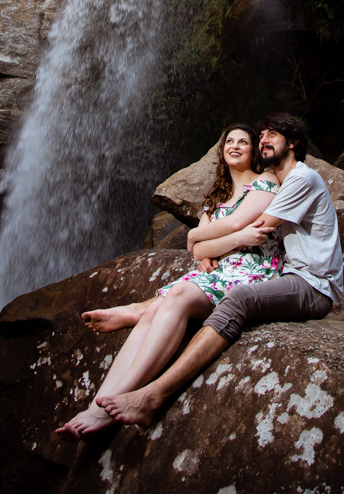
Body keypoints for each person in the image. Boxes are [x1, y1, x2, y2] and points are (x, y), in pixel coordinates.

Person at [98, 112, 343, 428]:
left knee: (239, 298)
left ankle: (154, 395)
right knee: (186, 294)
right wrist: (201, 246)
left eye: (271, 135)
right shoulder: (276, 182)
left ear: (293, 142)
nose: (262, 140)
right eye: (261, 136)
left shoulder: (299, 178)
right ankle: (119, 371)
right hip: (294, 277)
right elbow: (228, 239)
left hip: (313, 284)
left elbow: (255, 228)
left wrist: (196, 236)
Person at [55, 123, 281, 440]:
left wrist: (208, 239)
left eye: (243, 141)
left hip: (255, 270)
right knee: (154, 311)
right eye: (229, 140)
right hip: (220, 272)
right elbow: (199, 248)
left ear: (254, 151)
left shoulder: (266, 181)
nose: (235, 145)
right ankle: (98, 405)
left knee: (178, 295)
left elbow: (238, 227)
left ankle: (116, 403)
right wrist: (220, 240)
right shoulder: (215, 200)